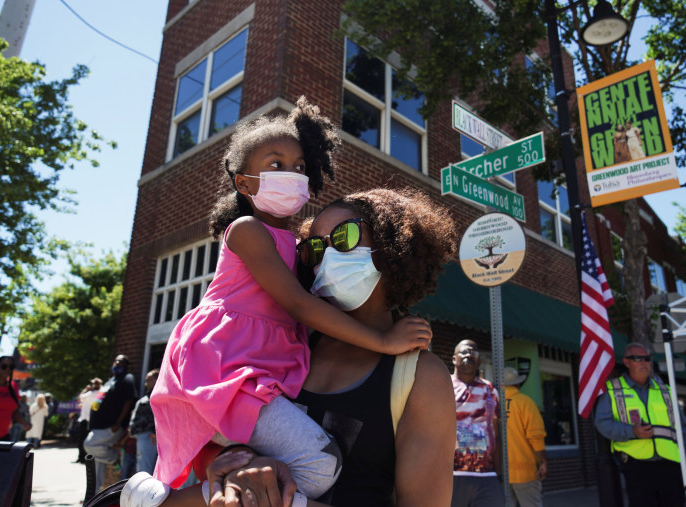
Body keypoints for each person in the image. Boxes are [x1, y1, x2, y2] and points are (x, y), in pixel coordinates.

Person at [150, 97, 432, 501]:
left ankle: (169, 497)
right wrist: (384, 342)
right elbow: (299, 304)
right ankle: (164, 499)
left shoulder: (298, 242)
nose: (291, 174)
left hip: (255, 368)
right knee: (320, 467)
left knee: (285, 466)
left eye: (300, 166)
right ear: (244, 184)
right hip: (223, 363)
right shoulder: (247, 230)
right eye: (275, 164)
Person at [125, 188, 457, 507]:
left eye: (343, 238)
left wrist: (286, 502)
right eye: (314, 249)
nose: (325, 258)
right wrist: (233, 465)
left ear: (391, 246)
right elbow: (216, 432)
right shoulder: (286, 344)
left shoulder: (420, 377)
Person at [594, 343, 686, 507]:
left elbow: (682, 427)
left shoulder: (665, 391)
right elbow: (602, 422)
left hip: (670, 463)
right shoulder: (614, 389)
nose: (644, 362)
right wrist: (631, 431)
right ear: (626, 362)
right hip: (636, 465)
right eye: (637, 358)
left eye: (647, 358)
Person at [451, 339, 504, 506]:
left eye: (473, 352)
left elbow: (495, 433)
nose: (468, 355)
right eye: (464, 352)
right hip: (452, 474)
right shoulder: (443, 386)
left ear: (479, 360)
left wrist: (499, 473)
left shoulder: (490, 390)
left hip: (486, 475)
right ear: (454, 359)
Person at [84, 354, 138, 488]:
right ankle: (95, 495)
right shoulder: (111, 380)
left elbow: (129, 400)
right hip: (98, 425)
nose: (117, 364)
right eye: (116, 361)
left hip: (111, 425)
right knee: (96, 462)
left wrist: (119, 422)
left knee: (90, 445)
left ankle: (115, 459)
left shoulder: (127, 378)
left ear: (127, 366)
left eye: (122, 362)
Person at [503, 367, 547, 507]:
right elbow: (536, 436)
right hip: (526, 473)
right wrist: (544, 462)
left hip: (501, 474)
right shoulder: (525, 402)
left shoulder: (494, 404)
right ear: (518, 384)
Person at [0, 356, 31, 441]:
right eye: (4, 366)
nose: (7, 369)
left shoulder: (13, 386)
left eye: (11, 367)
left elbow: (14, 411)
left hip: (4, 437)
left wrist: (24, 422)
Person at [129, 369, 159, 474]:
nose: (147, 380)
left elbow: (159, 416)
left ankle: (146, 490)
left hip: (148, 436)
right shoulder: (149, 395)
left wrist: (155, 432)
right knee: (142, 465)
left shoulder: (158, 396)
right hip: (142, 436)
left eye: (150, 378)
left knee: (145, 467)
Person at [76, 377, 103, 463]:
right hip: (95, 421)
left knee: (82, 440)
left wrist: (85, 390)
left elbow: (79, 398)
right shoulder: (102, 394)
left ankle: (82, 457)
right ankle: (89, 457)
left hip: (85, 420)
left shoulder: (89, 394)